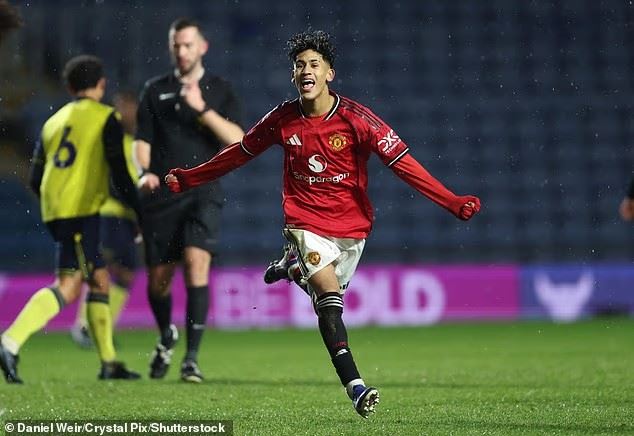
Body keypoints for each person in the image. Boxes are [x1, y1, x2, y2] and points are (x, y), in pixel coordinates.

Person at [165, 30, 481, 417]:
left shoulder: (357, 119)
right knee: (330, 305)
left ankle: (292, 268)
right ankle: (356, 386)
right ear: (293, 75)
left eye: (314, 64)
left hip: (352, 229)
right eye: (299, 65)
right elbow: (239, 152)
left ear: (330, 73)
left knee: (324, 293)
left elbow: (403, 164)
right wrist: (191, 178)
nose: (306, 71)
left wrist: (451, 201)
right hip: (304, 222)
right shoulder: (281, 120)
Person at [0, 55, 141, 383]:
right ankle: (10, 341)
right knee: (69, 285)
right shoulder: (105, 118)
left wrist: (57, 199)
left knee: (99, 279)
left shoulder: (53, 122)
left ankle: (109, 363)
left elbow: (36, 178)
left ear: (69, 87)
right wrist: (141, 212)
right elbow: (120, 174)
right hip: (81, 212)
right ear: (101, 85)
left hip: (58, 211)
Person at [135, 17, 244, 383]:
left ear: (202, 47)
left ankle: (191, 359)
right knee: (159, 280)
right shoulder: (155, 90)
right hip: (163, 193)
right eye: (176, 46)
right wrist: (144, 171)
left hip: (204, 191)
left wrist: (202, 109)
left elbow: (237, 139)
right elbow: (142, 139)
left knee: (197, 263)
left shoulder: (220, 90)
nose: (182, 51)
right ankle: (166, 333)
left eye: (187, 45)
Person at [71, 91, 142, 348]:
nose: (126, 113)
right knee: (104, 267)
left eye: (130, 107)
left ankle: (103, 327)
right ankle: (83, 326)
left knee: (126, 274)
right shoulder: (110, 139)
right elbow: (113, 181)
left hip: (128, 216)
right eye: (122, 107)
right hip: (108, 212)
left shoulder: (136, 142)